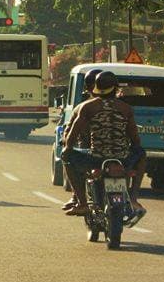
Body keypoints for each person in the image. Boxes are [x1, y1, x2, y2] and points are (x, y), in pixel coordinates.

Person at [61, 71, 147, 215]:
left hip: (96, 158)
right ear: (115, 88)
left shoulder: (87, 107)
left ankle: (82, 202)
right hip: (122, 158)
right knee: (142, 154)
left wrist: (68, 148)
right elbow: (135, 139)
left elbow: (71, 137)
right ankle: (133, 198)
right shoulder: (126, 108)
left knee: (66, 156)